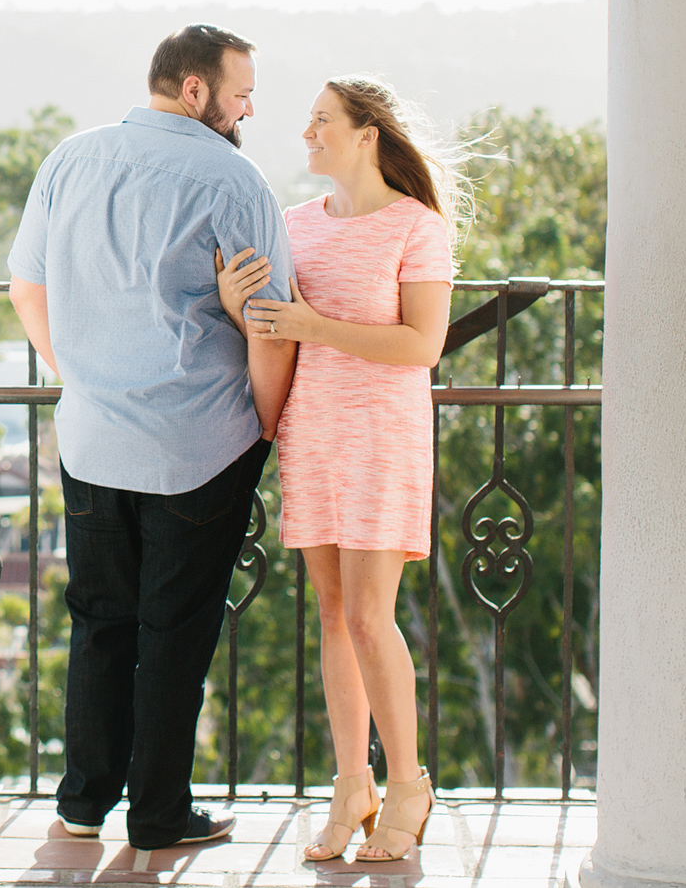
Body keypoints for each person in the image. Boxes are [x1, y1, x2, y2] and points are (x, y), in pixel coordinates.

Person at [7, 24, 296, 852]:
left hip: (93, 438)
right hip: (196, 446)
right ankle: (161, 813)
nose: (249, 110)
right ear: (197, 90)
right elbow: (269, 326)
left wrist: (84, 375)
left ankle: (82, 802)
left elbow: (27, 287)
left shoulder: (71, 157)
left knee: (100, 620)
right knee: (175, 630)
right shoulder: (236, 179)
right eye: (241, 93)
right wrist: (267, 426)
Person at [214, 75, 463, 864]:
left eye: (322, 120)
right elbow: (274, 327)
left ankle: (410, 784)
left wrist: (316, 322)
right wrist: (233, 302)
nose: (307, 132)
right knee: (330, 613)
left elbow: (422, 344)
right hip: (311, 431)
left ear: (367, 134)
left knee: (367, 615)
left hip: (382, 436)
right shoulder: (292, 225)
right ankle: (352, 783)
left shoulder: (416, 227)